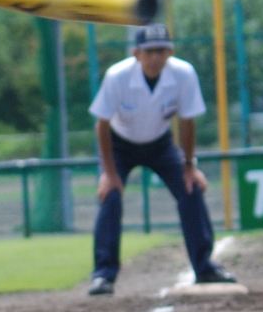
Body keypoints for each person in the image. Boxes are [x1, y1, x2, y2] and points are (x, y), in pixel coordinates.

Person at [87, 23, 235, 295]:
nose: (156, 57)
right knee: (111, 197)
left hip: (160, 143)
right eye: (149, 51)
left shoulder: (183, 74)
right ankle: (103, 275)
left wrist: (190, 167)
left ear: (170, 52)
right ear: (136, 53)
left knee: (190, 190)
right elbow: (102, 124)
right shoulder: (117, 76)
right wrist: (109, 173)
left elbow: (188, 121)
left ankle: (204, 267)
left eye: (162, 51)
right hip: (120, 145)